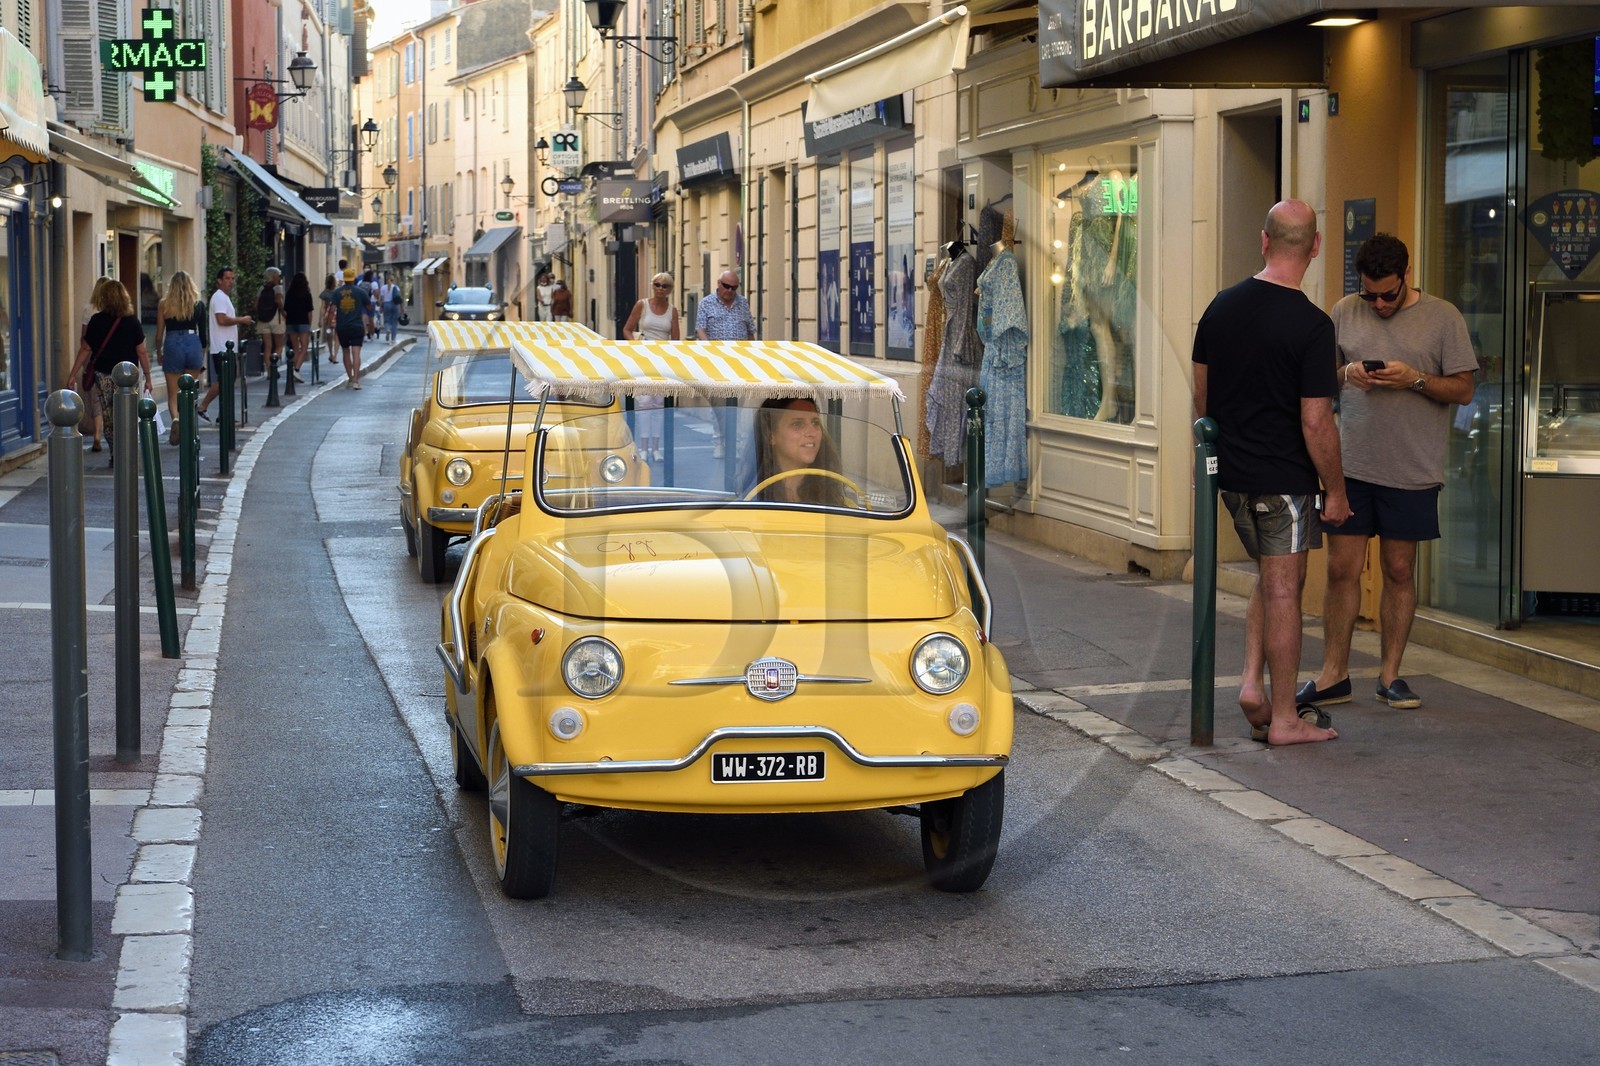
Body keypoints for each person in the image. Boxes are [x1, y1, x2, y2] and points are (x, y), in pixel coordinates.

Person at [1191, 200, 1350, 746]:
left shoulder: (1219, 307)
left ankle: (1251, 686)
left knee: (1270, 577)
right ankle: (1284, 718)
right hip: (1284, 480)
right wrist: (1336, 490)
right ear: (1316, 246)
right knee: (1286, 589)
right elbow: (1316, 420)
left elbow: (1201, 398)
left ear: (1263, 241)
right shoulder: (1311, 325)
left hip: (1232, 477)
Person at [1298, 233, 1478, 712]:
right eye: (1370, 294)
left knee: (1399, 569)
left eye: (1388, 295)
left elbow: (1463, 390)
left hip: (1412, 469)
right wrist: (1346, 374)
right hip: (1350, 465)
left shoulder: (1443, 318)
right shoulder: (1343, 310)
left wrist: (1413, 378)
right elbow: (1319, 379)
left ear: (1407, 276)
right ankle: (1334, 674)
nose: (1377, 303)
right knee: (1341, 569)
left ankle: (1391, 675)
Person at [66, 279, 152, 464]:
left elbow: (85, 349)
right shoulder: (132, 322)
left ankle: (115, 452)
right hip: (128, 377)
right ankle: (127, 452)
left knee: (108, 415)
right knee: (127, 414)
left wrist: (72, 374)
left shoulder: (96, 321)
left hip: (104, 374)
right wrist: (148, 375)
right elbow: (141, 351)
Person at [622, 272, 680, 462]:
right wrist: (637, 346)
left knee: (658, 404)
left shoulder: (672, 311)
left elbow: (676, 340)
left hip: (662, 361)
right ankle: (643, 447)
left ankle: (656, 448)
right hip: (643, 358)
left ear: (670, 289)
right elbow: (627, 329)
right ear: (652, 285)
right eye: (657, 284)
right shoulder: (642, 305)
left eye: (665, 286)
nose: (660, 289)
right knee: (644, 403)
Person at [752, 397, 847, 505]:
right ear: (770, 435)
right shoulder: (750, 497)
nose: (812, 433)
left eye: (815, 423)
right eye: (798, 424)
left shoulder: (834, 499)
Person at [154, 271, 207, 443]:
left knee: (173, 393)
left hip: (172, 342)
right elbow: (204, 335)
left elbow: (159, 334)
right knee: (189, 391)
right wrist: (202, 354)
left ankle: (176, 420)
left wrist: (159, 352)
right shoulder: (198, 305)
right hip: (193, 341)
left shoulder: (164, 304)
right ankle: (187, 424)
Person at [198, 266, 253, 420]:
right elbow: (221, 319)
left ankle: (223, 414)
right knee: (224, 380)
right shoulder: (220, 297)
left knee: (227, 380)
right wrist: (241, 320)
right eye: (227, 278)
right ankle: (203, 406)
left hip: (226, 346)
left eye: (232, 278)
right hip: (222, 347)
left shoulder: (223, 297)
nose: (230, 282)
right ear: (219, 281)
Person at [77, 277, 114, 451]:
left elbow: (83, 339)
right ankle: (113, 434)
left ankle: (97, 436)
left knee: (95, 398)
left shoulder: (88, 309)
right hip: (111, 357)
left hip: (92, 356)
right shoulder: (115, 311)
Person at [331, 268, 372, 389]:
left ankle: (350, 378)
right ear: (353, 278)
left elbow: (332, 309)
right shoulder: (360, 291)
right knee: (356, 352)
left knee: (345, 351)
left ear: (344, 279)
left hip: (342, 326)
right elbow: (369, 306)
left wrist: (329, 323)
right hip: (356, 326)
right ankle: (355, 379)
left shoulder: (337, 292)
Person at [695, 270, 756, 341]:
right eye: (727, 286)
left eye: (734, 288)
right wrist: (709, 347)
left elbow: (750, 331)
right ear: (719, 283)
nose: (730, 290)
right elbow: (700, 330)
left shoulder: (743, 303)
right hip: (716, 350)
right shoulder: (706, 303)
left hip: (740, 350)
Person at [254, 266, 286, 381]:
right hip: (275, 319)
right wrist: (283, 313)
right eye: (278, 275)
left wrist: (262, 313)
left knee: (267, 346)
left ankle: (269, 372)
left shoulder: (261, 288)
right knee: (279, 346)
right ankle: (274, 366)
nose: (279, 277)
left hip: (263, 320)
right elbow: (279, 301)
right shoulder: (278, 288)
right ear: (273, 276)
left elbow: (255, 306)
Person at [284, 272, 315, 381]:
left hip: (291, 322)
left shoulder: (289, 293)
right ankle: (296, 369)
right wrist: (309, 325)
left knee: (295, 348)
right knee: (304, 347)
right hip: (303, 322)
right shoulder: (307, 294)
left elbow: (285, 309)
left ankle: (294, 370)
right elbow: (309, 312)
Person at [319, 273, 338, 362]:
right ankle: (335, 355)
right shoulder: (337, 292)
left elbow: (322, 307)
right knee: (337, 335)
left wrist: (321, 319)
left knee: (329, 336)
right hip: (337, 315)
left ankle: (331, 353)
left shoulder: (324, 293)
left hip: (328, 317)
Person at [380, 272, 401, 342]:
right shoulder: (396, 287)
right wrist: (402, 308)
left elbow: (382, 299)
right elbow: (399, 298)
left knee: (386, 320)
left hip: (386, 304)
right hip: (395, 305)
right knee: (394, 322)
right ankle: (393, 338)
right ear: (393, 280)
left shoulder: (383, 288)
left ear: (386, 280)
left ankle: (388, 328)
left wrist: (381, 307)